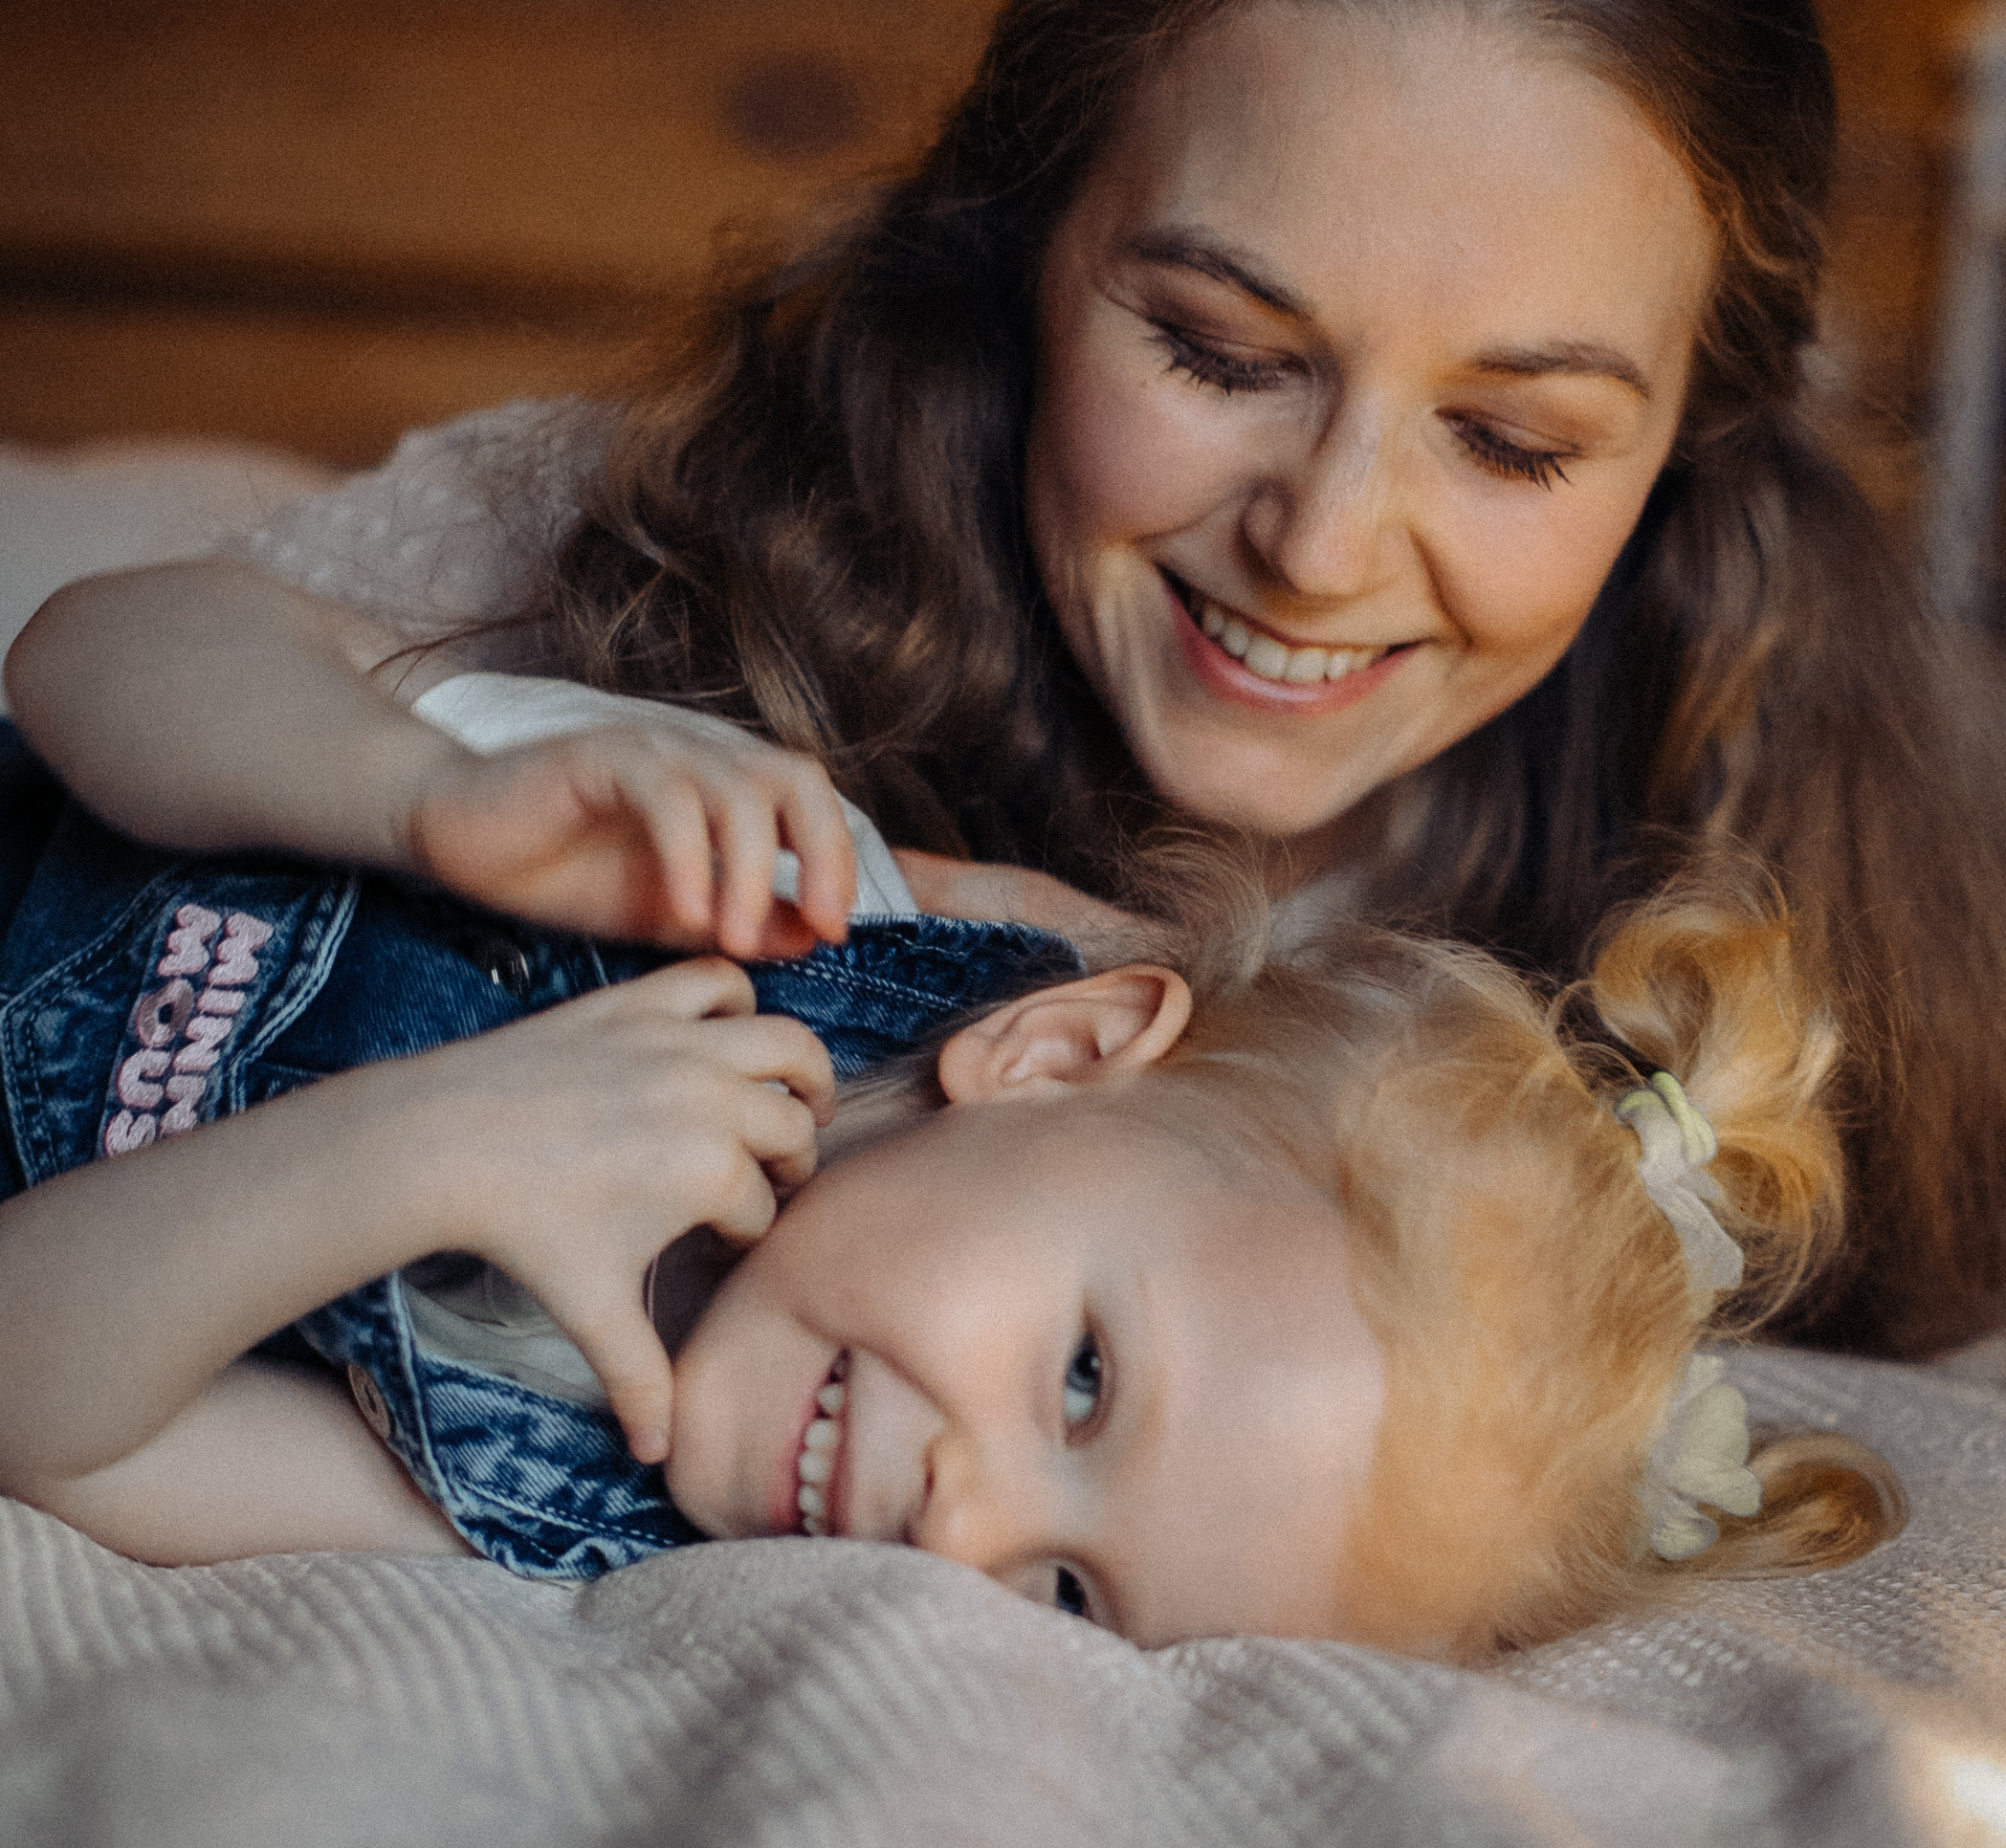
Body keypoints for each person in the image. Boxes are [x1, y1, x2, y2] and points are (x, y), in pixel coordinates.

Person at [9, 0, 2003, 1358]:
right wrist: (403, 786)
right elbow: (141, 644)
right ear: (1026, 239)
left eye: (1504, 436)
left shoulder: (1766, 888)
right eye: (1218, 352)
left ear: (1688, 441)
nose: (1318, 546)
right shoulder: (684, 533)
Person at [0, 694, 1901, 1654]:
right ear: (1053, 1054)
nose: (962, 1532)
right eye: (1080, 1377)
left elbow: (50, 1419)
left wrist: (414, 1153)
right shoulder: (789, 894)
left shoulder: (559, 1489)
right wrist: (409, 788)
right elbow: (100, 656)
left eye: (1069, 1598)